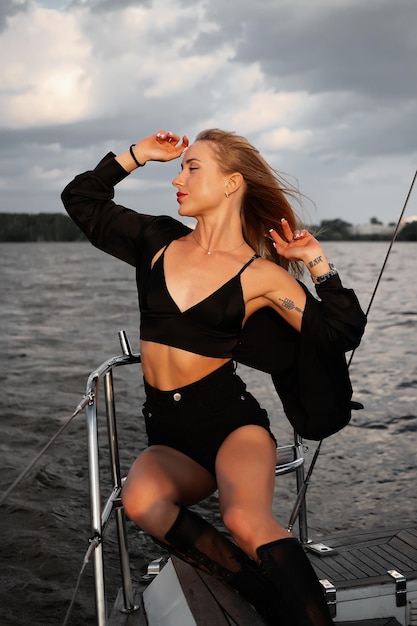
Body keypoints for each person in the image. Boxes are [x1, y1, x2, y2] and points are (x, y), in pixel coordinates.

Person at [62, 129, 366, 625]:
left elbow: (339, 333)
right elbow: (81, 199)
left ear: (231, 184)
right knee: (141, 501)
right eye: (179, 169)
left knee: (244, 518)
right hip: (169, 433)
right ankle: (264, 597)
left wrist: (316, 263)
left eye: (192, 168)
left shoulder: (259, 275)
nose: (177, 179)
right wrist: (139, 155)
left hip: (231, 425)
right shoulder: (156, 240)